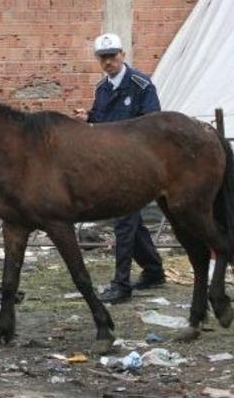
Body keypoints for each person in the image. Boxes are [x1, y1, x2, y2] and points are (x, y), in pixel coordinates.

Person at [75, 32, 165, 304]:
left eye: (112, 56)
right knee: (130, 220)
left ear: (122, 55)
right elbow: (101, 119)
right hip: (110, 164)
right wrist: (87, 117)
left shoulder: (140, 84)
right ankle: (153, 270)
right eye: (102, 57)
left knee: (125, 222)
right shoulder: (102, 89)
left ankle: (121, 284)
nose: (108, 62)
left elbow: (153, 123)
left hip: (136, 164)